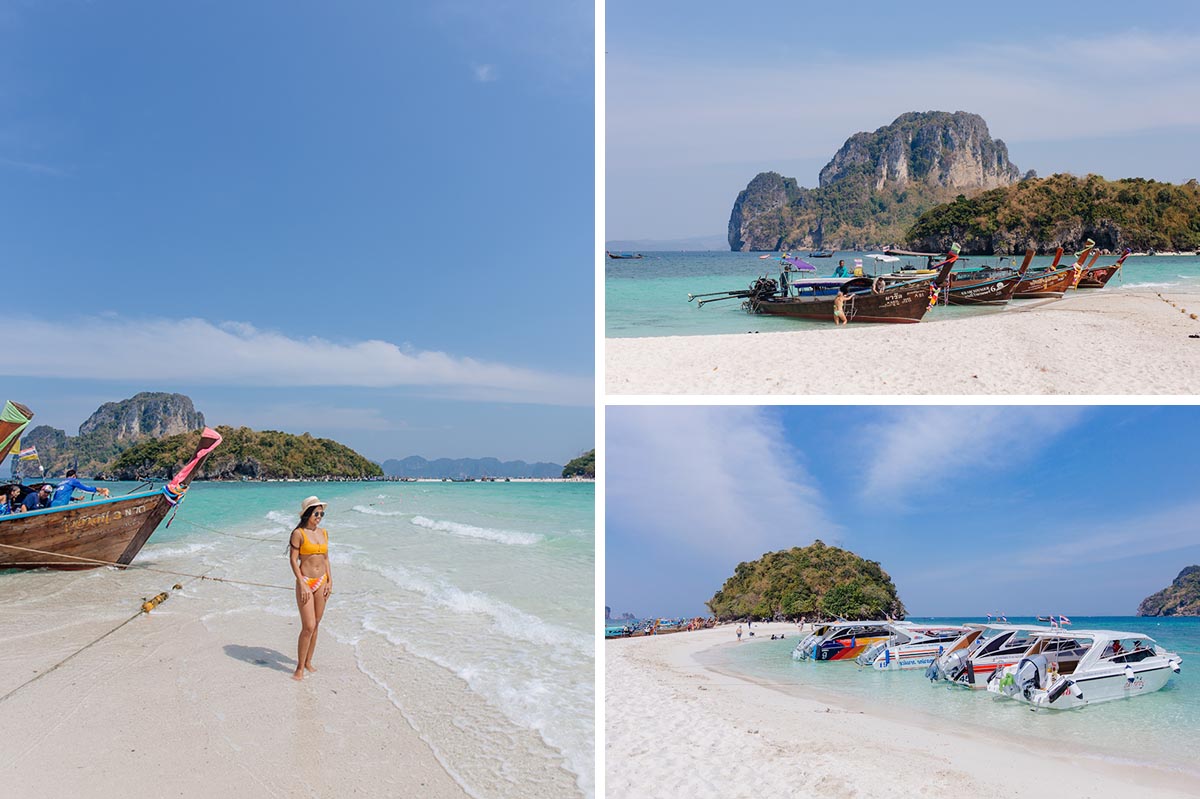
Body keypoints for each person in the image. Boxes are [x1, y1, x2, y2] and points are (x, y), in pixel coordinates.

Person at [288, 496, 333, 681]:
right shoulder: (299, 533)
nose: (320, 516)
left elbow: (326, 558)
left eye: (322, 513)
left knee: (317, 624)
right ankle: (299, 667)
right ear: (308, 514)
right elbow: (292, 559)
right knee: (308, 626)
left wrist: (330, 580)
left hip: (322, 580)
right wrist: (302, 583)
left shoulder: (323, 532)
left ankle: (308, 661)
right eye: (317, 513)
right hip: (305, 581)